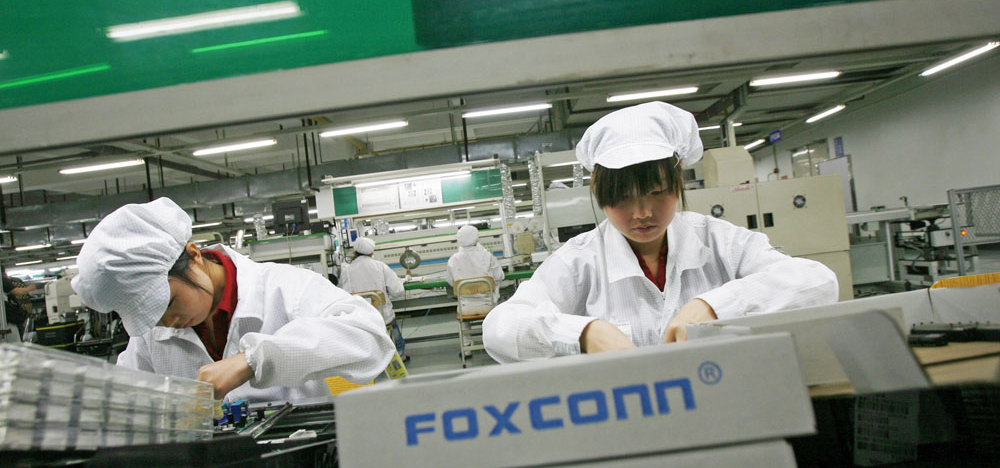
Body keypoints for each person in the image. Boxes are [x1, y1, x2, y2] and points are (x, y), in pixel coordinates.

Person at [483, 101, 838, 363]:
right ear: (598, 192)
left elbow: (818, 283)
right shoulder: (580, 261)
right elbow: (500, 328)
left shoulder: (717, 240)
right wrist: (583, 333)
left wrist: (713, 307)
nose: (642, 214)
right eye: (622, 199)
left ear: (678, 179)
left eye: (656, 193)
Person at [71, 197, 395, 402]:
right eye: (149, 316)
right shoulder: (149, 339)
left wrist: (254, 360)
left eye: (167, 303)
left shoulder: (284, 289)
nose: (165, 322)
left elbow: (371, 338)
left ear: (193, 255)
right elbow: (125, 398)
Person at [337, 237, 408, 363]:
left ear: (355, 252)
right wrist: (402, 281)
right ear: (371, 252)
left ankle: (369, 360)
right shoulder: (380, 266)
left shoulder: (346, 271)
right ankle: (399, 354)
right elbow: (397, 291)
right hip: (382, 318)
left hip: (358, 320)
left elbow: (343, 295)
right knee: (390, 323)